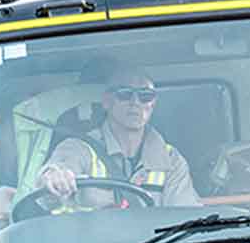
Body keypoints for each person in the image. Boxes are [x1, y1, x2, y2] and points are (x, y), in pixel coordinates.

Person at [31, 66, 200, 209]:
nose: (135, 102)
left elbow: (184, 217)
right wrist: (53, 178)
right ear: (106, 101)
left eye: (145, 96)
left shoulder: (172, 160)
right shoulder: (79, 148)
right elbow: (51, 185)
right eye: (125, 94)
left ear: (153, 104)